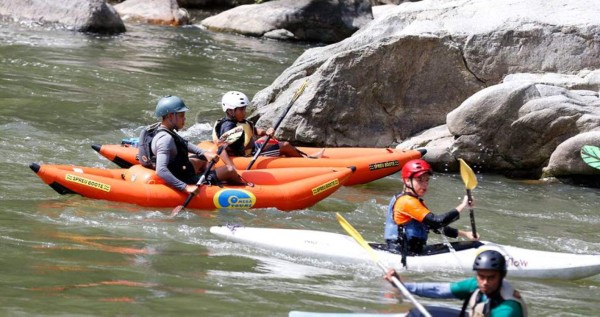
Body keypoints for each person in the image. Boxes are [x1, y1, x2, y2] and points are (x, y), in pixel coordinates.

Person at [141, 95, 246, 193]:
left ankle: (209, 176)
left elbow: (183, 143)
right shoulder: (165, 139)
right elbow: (161, 170)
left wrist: (204, 153)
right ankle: (242, 186)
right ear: (170, 116)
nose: (185, 119)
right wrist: (185, 187)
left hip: (181, 168)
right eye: (181, 115)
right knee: (230, 169)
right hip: (184, 178)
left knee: (204, 158)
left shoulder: (162, 128)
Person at [385, 250, 528, 317]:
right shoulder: (475, 285)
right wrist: (402, 285)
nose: (485, 282)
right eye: (481, 276)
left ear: (502, 276)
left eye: (491, 278)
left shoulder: (507, 310)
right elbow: (439, 290)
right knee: (416, 314)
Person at [384, 159, 478, 259]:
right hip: (402, 252)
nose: (424, 185)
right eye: (419, 180)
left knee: (473, 245)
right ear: (407, 181)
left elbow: (434, 227)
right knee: (476, 247)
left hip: (411, 250)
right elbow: (438, 221)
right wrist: (463, 205)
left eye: (427, 180)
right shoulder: (407, 202)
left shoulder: (414, 201)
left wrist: (466, 234)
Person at [212, 91, 324, 158]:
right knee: (284, 145)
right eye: (241, 109)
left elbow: (254, 131)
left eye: (244, 108)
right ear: (230, 111)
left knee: (269, 139)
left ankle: (302, 155)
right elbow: (225, 147)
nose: (244, 111)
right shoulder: (228, 126)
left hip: (252, 149)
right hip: (248, 155)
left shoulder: (241, 121)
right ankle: (306, 160)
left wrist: (266, 132)